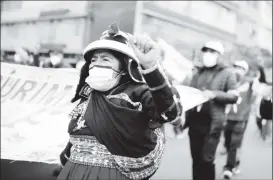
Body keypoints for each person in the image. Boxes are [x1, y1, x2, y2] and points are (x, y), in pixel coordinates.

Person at [55, 23, 182, 180]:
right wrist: (64, 163)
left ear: (124, 66)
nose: (96, 64)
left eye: (105, 59)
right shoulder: (87, 95)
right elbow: (77, 135)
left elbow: (170, 113)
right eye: (93, 60)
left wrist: (150, 67)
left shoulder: (139, 93)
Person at [184, 41, 239, 180]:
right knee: (196, 159)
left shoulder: (228, 73)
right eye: (206, 51)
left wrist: (215, 94)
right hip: (194, 122)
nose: (208, 54)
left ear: (219, 55)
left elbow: (234, 96)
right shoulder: (198, 72)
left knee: (206, 160)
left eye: (212, 52)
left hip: (212, 124)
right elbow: (190, 93)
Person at [222, 60, 253, 179]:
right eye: (236, 67)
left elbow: (260, 88)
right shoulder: (228, 81)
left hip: (241, 119)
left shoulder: (250, 82)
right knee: (228, 141)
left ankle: (229, 168)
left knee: (234, 143)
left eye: (241, 68)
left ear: (245, 71)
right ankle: (235, 161)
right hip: (227, 117)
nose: (237, 69)